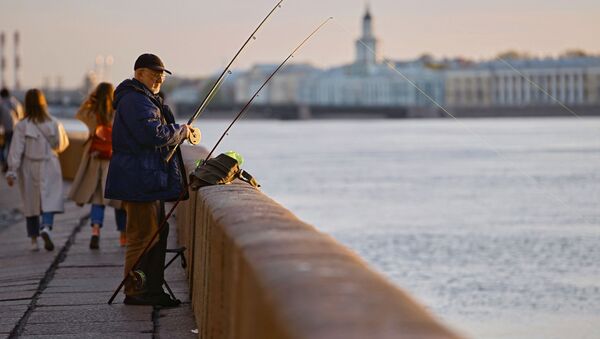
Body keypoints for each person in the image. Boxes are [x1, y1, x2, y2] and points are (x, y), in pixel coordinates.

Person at [105, 53, 198, 307]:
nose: (159, 78)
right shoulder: (136, 100)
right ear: (139, 73)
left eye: (162, 74)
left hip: (147, 178)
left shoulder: (143, 98)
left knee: (156, 233)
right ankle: (136, 291)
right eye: (153, 72)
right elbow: (152, 134)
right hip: (139, 179)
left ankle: (151, 288)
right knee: (142, 236)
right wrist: (181, 131)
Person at [5, 89, 69, 251]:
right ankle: (46, 227)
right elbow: (61, 145)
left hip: (29, 166)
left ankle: (34, 241)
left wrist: (12, 171)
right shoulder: (54, 122)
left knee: (31, 203)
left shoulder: (22, 125)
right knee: (49, 199)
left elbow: (16, 150)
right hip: (50, 164)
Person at [68, 82, 127, 249]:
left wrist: (91, 98)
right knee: (119, 199)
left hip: (95, 158)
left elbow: (79, 113)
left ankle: (95, 231)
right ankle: (123, 236)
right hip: (114, 158)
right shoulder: (117, 112)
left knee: (98, 198)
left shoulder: (93, 114)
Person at [0, 88, 24, 172]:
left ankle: (5, 164)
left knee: (4, 147)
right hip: (16, 129)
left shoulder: (1, 103)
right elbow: (20, 115)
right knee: (12, 148)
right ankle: (10, 165)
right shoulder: (14, 102)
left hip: (5, 129)